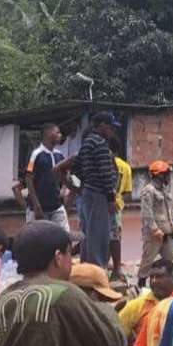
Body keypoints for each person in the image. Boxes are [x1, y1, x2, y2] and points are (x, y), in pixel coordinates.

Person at [59, 112, 120, 266]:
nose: (112, 131)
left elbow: (76, 170)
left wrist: (81, 188)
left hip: (88, 193)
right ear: (102, 126)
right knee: (99, 235)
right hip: (99, 194)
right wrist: (111, 198)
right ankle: (96, 268)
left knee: (89, 233)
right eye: (111, 127)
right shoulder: (100, 143)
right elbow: (105, 173)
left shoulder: (86, 143)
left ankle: (86, 266)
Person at [139, 161, 173, 287]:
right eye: (166, 174)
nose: (169, 177)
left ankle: (171, 286)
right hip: (154, 235)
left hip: (167, 233)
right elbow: (147, 214)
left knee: (172, 260)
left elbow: (170, 212)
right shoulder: (148, 191)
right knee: (147, 261)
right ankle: (141, 286)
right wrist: (154, 230)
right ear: (159, 175)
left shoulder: (165, 191)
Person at [25, 122, 69, 229]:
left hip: (57, 207)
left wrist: (64, 189)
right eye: (57, 132)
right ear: (49, 134)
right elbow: (29, 179)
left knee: (64, 235)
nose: (60, 135)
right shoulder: (35, 154)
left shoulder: (60, 155)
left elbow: (66, 173)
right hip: (38, 208)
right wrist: (36, 205)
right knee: (38, 238)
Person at [111, 145, 133, 280]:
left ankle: (112, 267)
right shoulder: (126, 167)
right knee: (115, 236)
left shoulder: (104, 163)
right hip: (117, 206)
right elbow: (128, 193)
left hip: (102, 204)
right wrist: (119, 201)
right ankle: (116, 267)